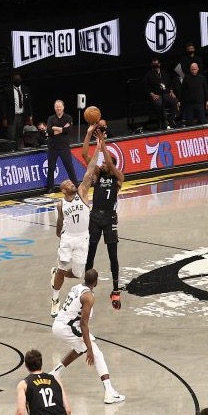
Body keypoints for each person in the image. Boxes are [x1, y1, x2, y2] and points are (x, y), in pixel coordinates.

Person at [49, 269, 125, 404]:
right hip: (68, 328)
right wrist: (89, 348)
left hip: (59, 324)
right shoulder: (89, 297)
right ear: (96, 282)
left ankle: (54, 373)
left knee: (79, 348)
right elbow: (84, 324)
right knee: (97, 354)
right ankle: (109, 392)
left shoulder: (76, 287)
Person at [80, 126, 123, 309]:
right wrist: (90, 134)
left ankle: (115, 290)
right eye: (103, 163)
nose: (103, 165)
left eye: (106, 163)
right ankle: (86, 287)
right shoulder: (97, 173)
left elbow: (111, 165)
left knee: (113, 255)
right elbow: (84, 155)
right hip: (95, 217)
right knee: (91, 252)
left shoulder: (118, 177)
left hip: (110, 219)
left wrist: (103, 142)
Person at [49, 176, 90, 317]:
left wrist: (97, 153)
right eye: (68, 183)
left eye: (71, 182)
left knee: (78, 274)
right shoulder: (61, 204)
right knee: (63, 266)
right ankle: (55, 300)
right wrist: (59, 235)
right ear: (63, 190)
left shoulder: (82, 195)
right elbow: (60, 220)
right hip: (68, 237)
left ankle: (57, 272)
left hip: (83, 237)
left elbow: (89, 175)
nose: (71, 183)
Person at [44, 100, 78, 193]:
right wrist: (62, 129)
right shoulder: (51, 118)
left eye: (60, 106)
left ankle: (76, 185)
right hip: (53, 147)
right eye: (56, 106)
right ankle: (50, 188)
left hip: (64, 147)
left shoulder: (68, 118)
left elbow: (69, 130)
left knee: (69, 167)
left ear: (63, 107)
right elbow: (49, 131)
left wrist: (56, 128)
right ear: (54, 108)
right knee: (51, 168)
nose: (58, 108)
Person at [144, 57, 179, 129]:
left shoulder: (164, 73)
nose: (155, 65)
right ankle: (164, 121)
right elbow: (146, 87)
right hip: (157, 95)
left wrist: (172, 92)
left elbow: (170, 84)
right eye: (154, 64)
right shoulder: (148, 75)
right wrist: (152, 94)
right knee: (160, 104)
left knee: (174, 101)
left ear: (159, 64)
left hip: (166, 93)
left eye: (156, 64)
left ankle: (171, 119)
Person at [3, 73, 32, 149]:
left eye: (19, 79)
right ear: (13, 80)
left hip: (22, 115)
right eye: (16, 79)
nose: (17, 80)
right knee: (11, 135)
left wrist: (30, 116)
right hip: (12, 116)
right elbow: (4, 105)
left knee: (20, 135)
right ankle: (11, 151)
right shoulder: (8, 90)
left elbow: (29, 103)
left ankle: (19, 150)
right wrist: (4, 118)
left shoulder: (25, 89)